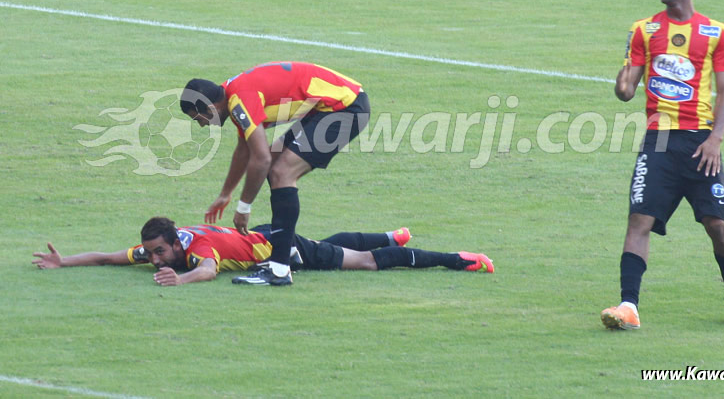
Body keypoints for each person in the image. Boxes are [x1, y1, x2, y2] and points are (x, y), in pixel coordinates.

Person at [601, 0, 724, 330]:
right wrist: (622, 82)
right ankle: (628, 306)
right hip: (659, 142)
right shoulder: (645, 30)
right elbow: (626, 89)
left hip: (701, 143)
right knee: (639, 219)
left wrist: (716, 139)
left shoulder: (715, 32)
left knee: (716, 224)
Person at [179, 61, 370, 287]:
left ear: (210, 107)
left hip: (345, 108)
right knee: (276, 164)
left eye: (198, 118)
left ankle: (279, 270)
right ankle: (287, 253)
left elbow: (260, 159)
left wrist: (244, 208)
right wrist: (225, 193)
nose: (202, 125)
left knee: (281, 172)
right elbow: (244, 150)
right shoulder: (233, 98)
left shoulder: (240, 100)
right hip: (328, 107)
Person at [32, 217, 494, 286]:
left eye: (158, 254)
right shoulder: (161, 247)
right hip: (265, 236)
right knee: (328, 247)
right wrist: (63, 260)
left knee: (363, 263)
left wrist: (181, 280)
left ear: (175, 243)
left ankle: (459, 259)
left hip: (279, 248)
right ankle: (391, 238)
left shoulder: (196, 250)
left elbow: (209, 271)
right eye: (151, 256)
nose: (154, 260)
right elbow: (109, 257)